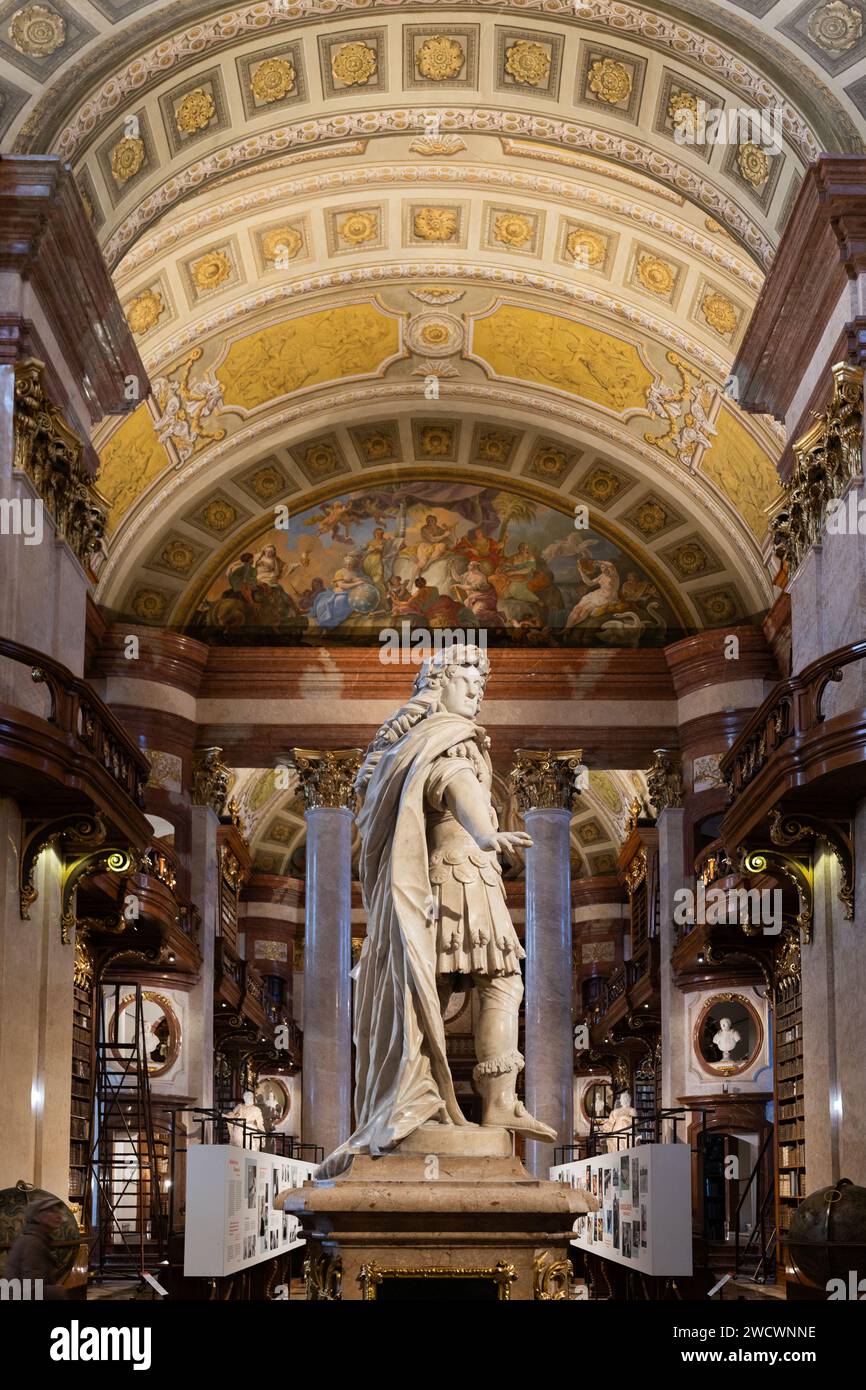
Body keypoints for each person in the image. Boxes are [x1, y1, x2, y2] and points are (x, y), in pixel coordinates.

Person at [319, 643, 556, 1177]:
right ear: (439, 683)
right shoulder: (442, 739)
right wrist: (487, 830)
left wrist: (487, 837)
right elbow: (452, 786)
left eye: (481, 686)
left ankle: (494, 1099)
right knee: (446, 987)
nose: (477, 693)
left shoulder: (425, 740)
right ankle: (424, 1100)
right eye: (467, 683)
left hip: (471, 878)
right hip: (453, 880)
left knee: (490, 981)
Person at [3, 1197, 68, 1299]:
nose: (58, 1215)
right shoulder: (33, 1243)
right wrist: (58, 1291)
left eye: (58, 1211)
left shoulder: (35, 1239)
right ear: (38, 1216)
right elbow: (32, 1290)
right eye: (51, 1211)